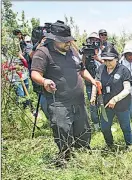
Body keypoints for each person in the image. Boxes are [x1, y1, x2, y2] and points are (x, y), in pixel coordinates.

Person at [31, 21, 96, 165]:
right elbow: (35, 73)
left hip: (78, 101)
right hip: (59, 102)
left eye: (69, 40)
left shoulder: (72, 51)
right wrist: (45, 81)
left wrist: (92, 80)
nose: (68, 43)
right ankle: (65, 161)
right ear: (54, 39)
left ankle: (83, 159)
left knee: (84, 131)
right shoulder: (43, 53)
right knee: (63, 132)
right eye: (64, 41)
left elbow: (81, 69)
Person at [90, 45, 132, 149]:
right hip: (106, 104)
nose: (107, 63)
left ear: (116, 59)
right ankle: (110, 145)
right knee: (105, 127)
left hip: (122, 104)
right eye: (105, 60)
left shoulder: (123, 70)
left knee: (125, 127)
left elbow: (127, 89)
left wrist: (115, 99)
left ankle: (129, 145)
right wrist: (93, 95)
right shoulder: (101, 69)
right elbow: (96, 83)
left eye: (110, 60)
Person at [83, 32, 103, 131]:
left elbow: (109, 64)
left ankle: (104, 123)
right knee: (92, 104)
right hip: (89, 82)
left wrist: (98, 59)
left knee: (103, 102)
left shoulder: (102, 51)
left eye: (96, 40)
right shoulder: (85, 52)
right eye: (92, 39)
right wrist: (84, 55)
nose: (94, 41)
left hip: (102, 81)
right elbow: (80, 67)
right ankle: (96, 124)